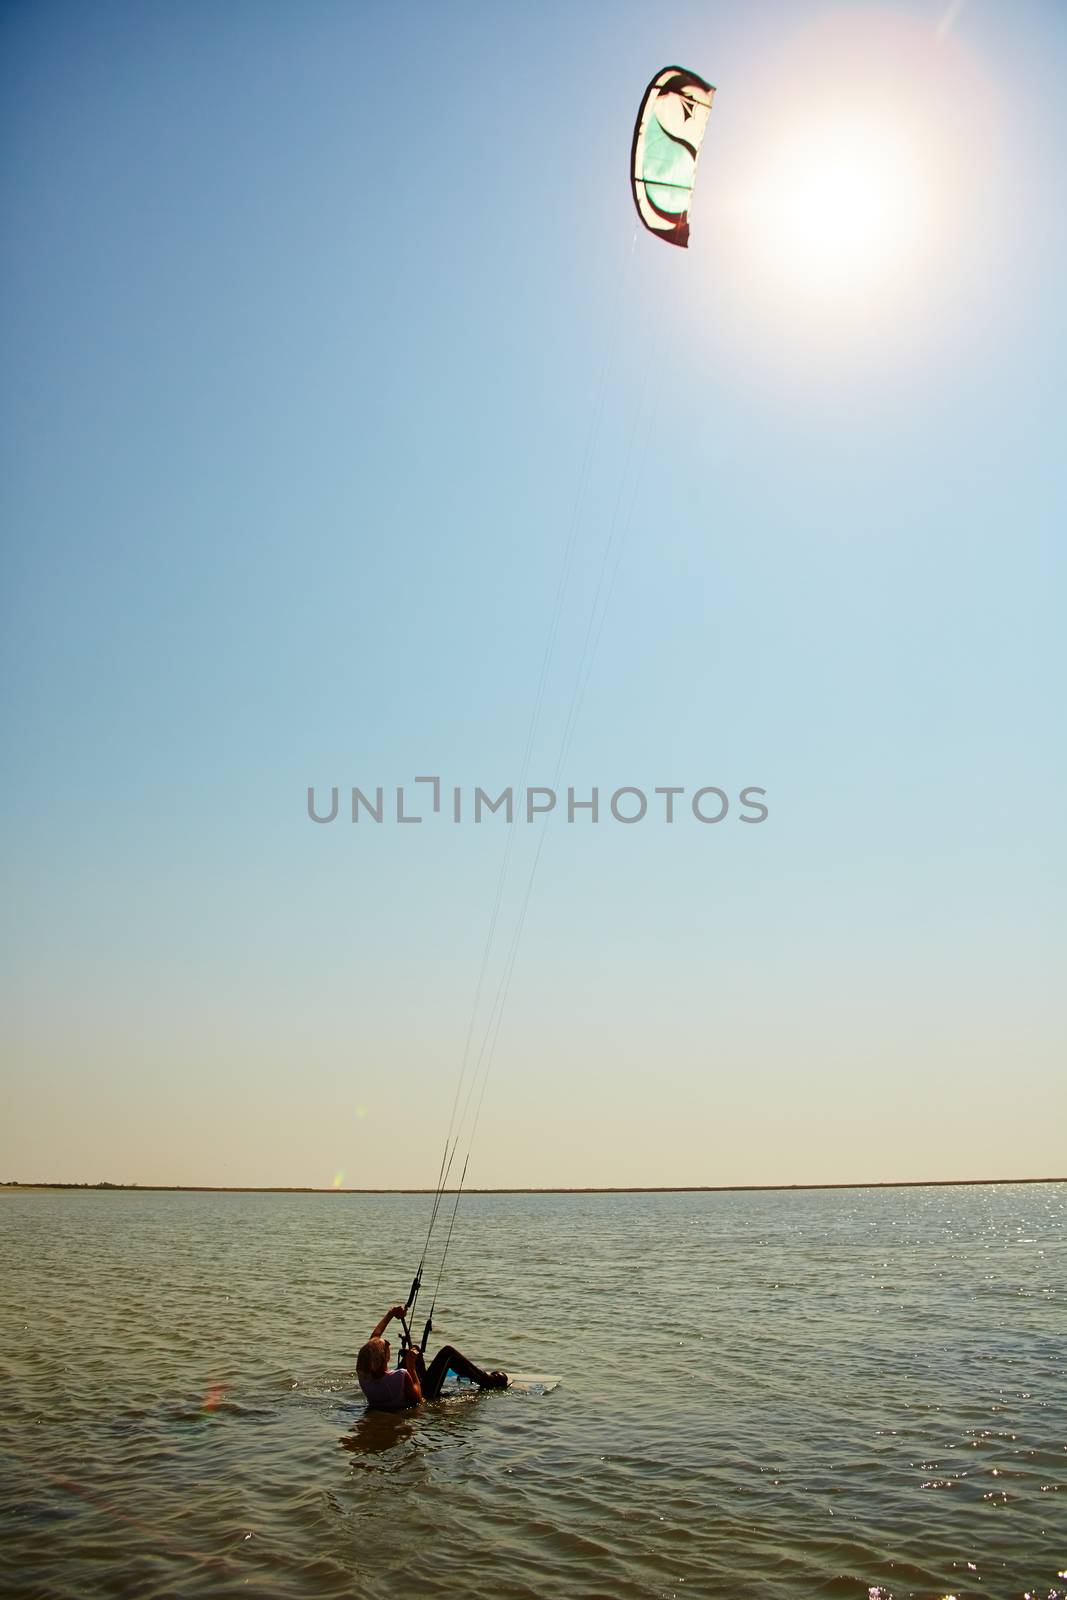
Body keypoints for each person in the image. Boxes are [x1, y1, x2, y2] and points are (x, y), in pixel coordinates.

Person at [356, 1303, 508, 1411]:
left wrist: (391, 1313)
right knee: (447, 1353)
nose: (388, 1343)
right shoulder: (400, 1376)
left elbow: (374, 1339)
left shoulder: (365, 1375)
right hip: (423, 1394)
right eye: (385, 1345)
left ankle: (426, 1371)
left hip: (391, 1393)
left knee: (416, 1352)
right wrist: (410, 1366)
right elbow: (418, 1401)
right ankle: (488, 1382)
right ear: (382, 1358)